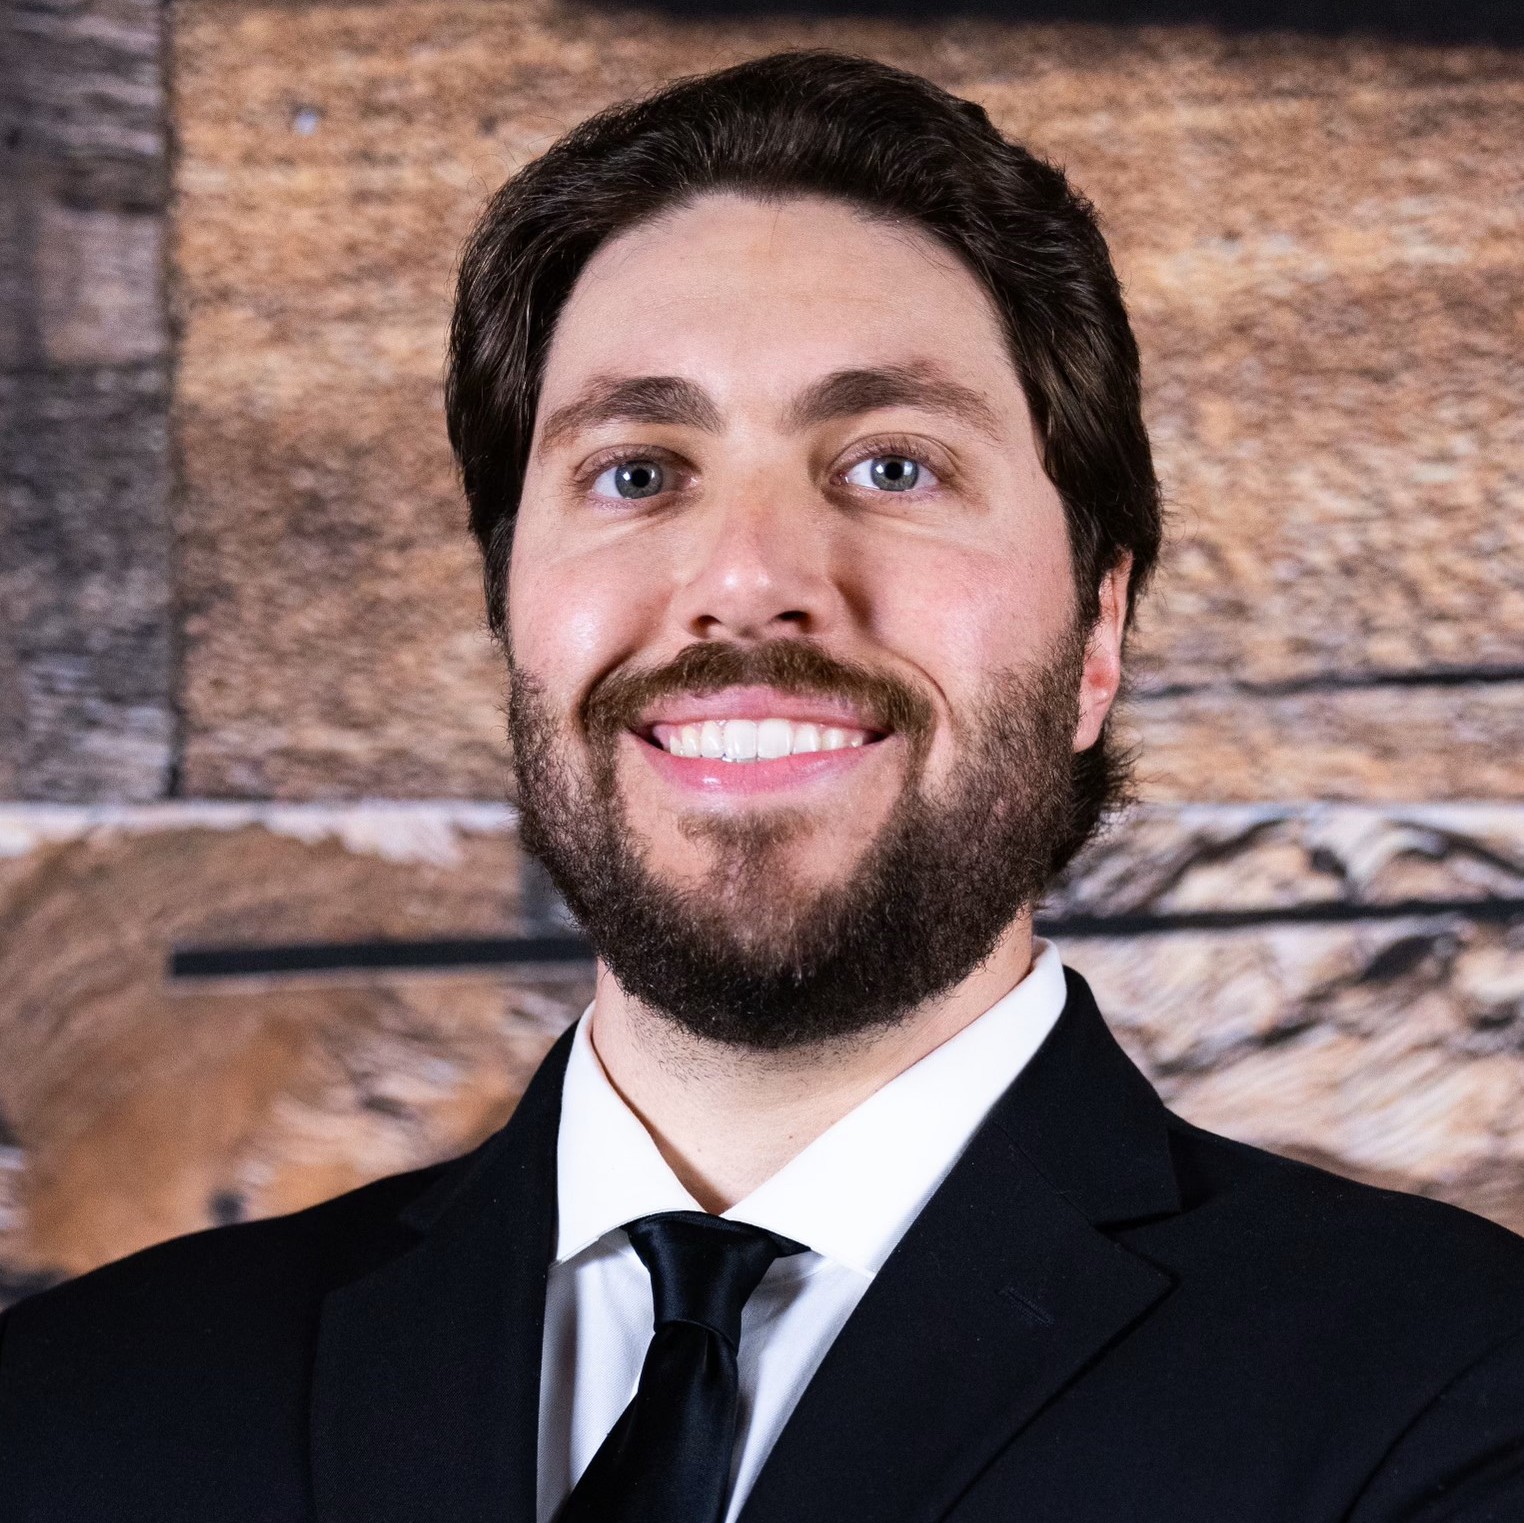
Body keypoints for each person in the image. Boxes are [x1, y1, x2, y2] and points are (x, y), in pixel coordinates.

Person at [2, 49, 1522, 1523]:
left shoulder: (1456, 1400)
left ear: (1098, 633)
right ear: (510, 604)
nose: (746, 582)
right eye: (639, 471)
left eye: (892, 467)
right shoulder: (74, 1413)